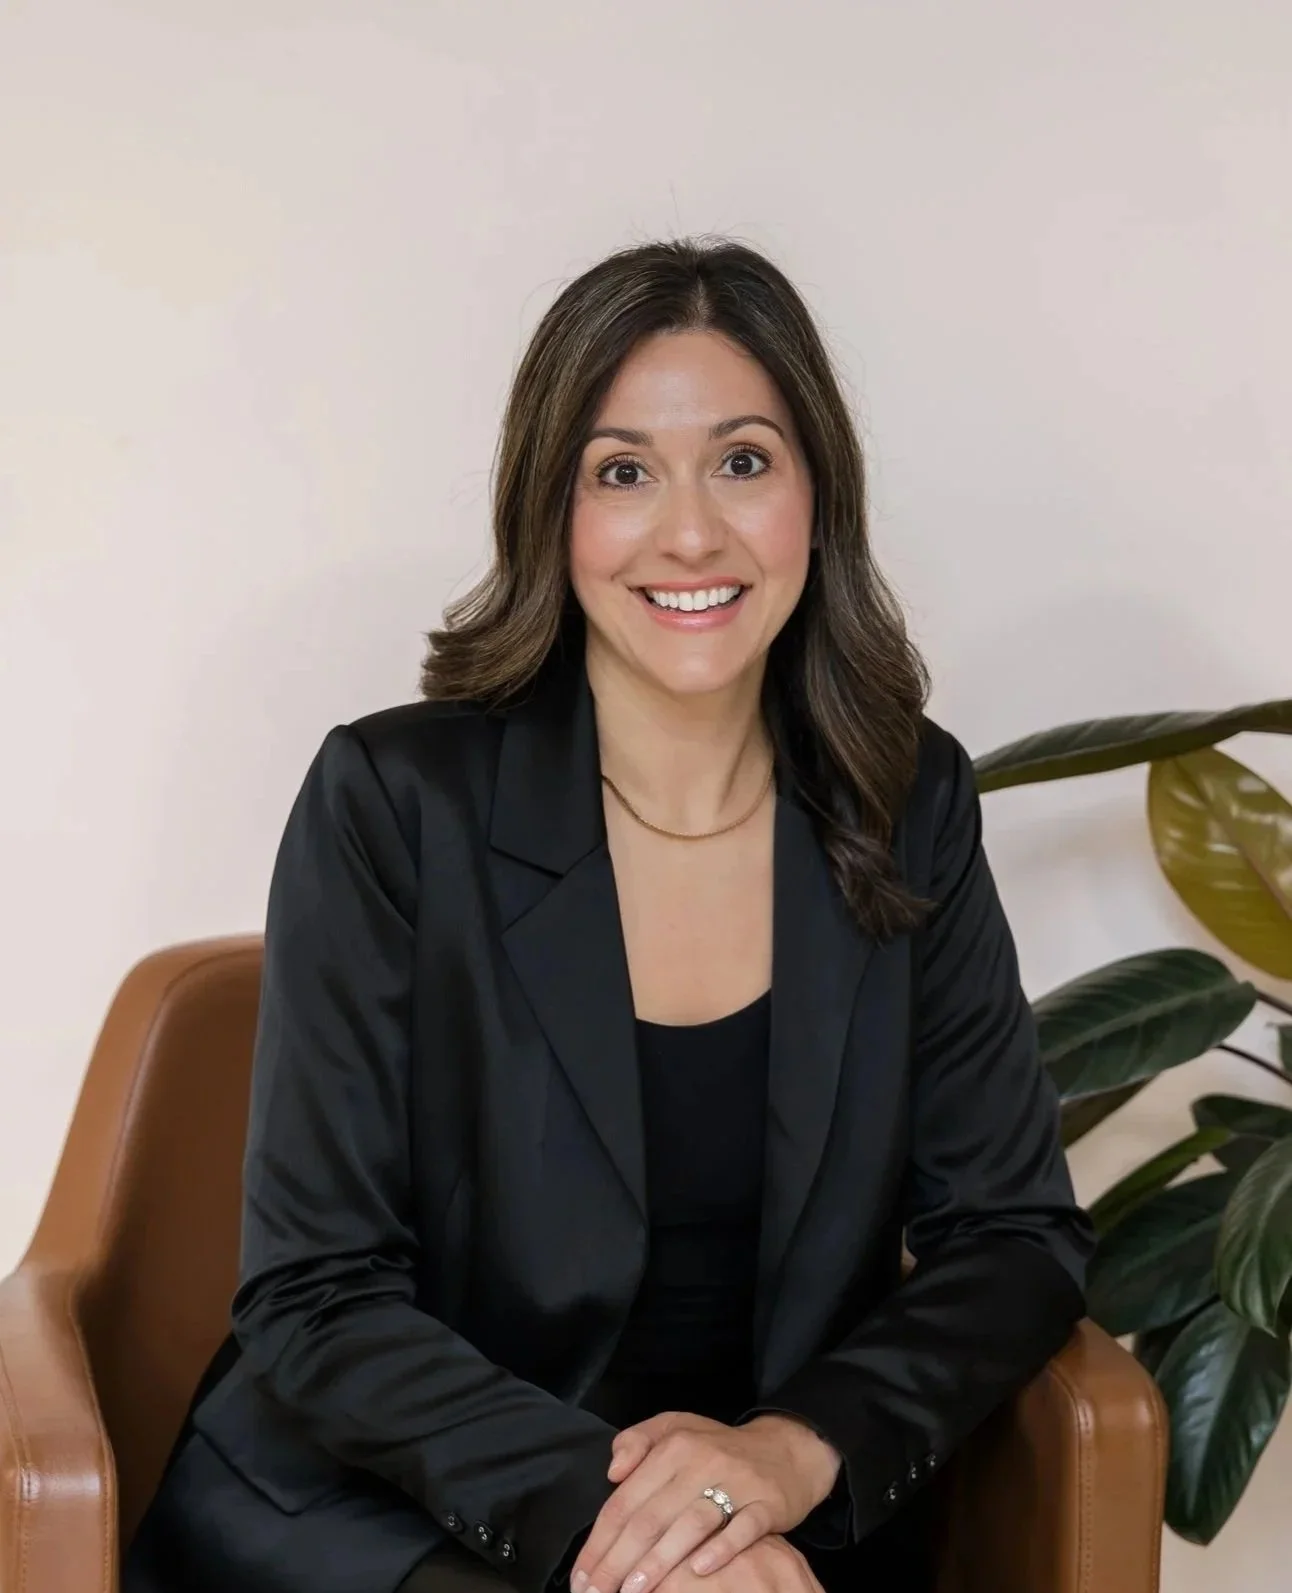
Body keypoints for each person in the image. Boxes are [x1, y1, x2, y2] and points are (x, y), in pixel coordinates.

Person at [123, 236, 1094, 1593]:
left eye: (744, 461)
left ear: (817, 496)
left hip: (773, 1519)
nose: (689, 531)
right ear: (551, 512)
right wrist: (647, 1529)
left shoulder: (902, 795)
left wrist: (792, 1456)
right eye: (622, 471)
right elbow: (317, 1293)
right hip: (409, 1507)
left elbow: (1011, 1236)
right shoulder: (395, 800)